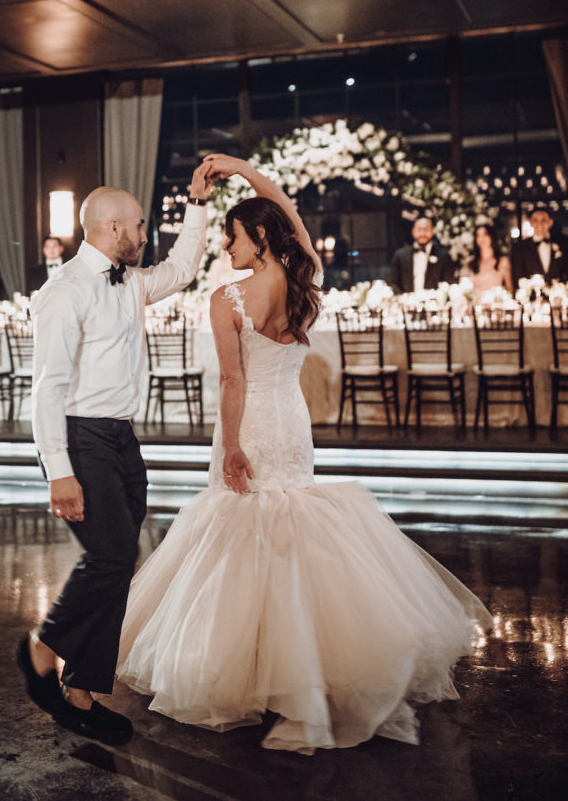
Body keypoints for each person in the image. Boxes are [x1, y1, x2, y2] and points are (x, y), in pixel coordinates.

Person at [116, 154, 492, 755]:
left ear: (257, 237)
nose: (228, 248)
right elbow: (286, 209)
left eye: (234, 237)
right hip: (291, 421)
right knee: (286, 525)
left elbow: (233, 384)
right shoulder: (303, 275)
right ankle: (294, 666)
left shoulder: (227, 299)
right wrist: (242, 169)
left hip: (252, 422)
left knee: (242, 527)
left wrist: (232, 446)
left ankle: (254, 667)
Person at [16, 163, 211, 739]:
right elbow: (46, 388)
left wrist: (197, 206)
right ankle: (43, 646)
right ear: (110, 226)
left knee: (118, 558)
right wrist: (59, 471)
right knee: (111, 555)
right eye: (140, 225)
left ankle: (80, 692)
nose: (145, 234)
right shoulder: (66, 291)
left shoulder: (130, 281)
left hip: (122, 438)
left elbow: (182, 269)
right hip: (81, 437)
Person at [389, 215, 455, 293]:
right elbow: (393, 283)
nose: (423, 233)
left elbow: (449, 283)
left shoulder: (443, 255)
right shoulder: (400, 255)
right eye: (419, 229)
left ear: (432, 231)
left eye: (426, 229)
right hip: (406, 301)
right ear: (413, 231)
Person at [511, 205, 568, 289]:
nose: (539, 223)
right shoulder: (520, 247)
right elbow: (518, 277)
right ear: (530, 222)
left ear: (550, 223)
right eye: (535, 220)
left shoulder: (563, 245)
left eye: (544, 220)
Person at [462, 224, 513, 294]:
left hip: (496, 303)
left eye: (485, 234)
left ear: (491, 236)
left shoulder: (503, 261)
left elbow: (509, 288)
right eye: (478, 235)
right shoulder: (471, 263)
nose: (481, 238)